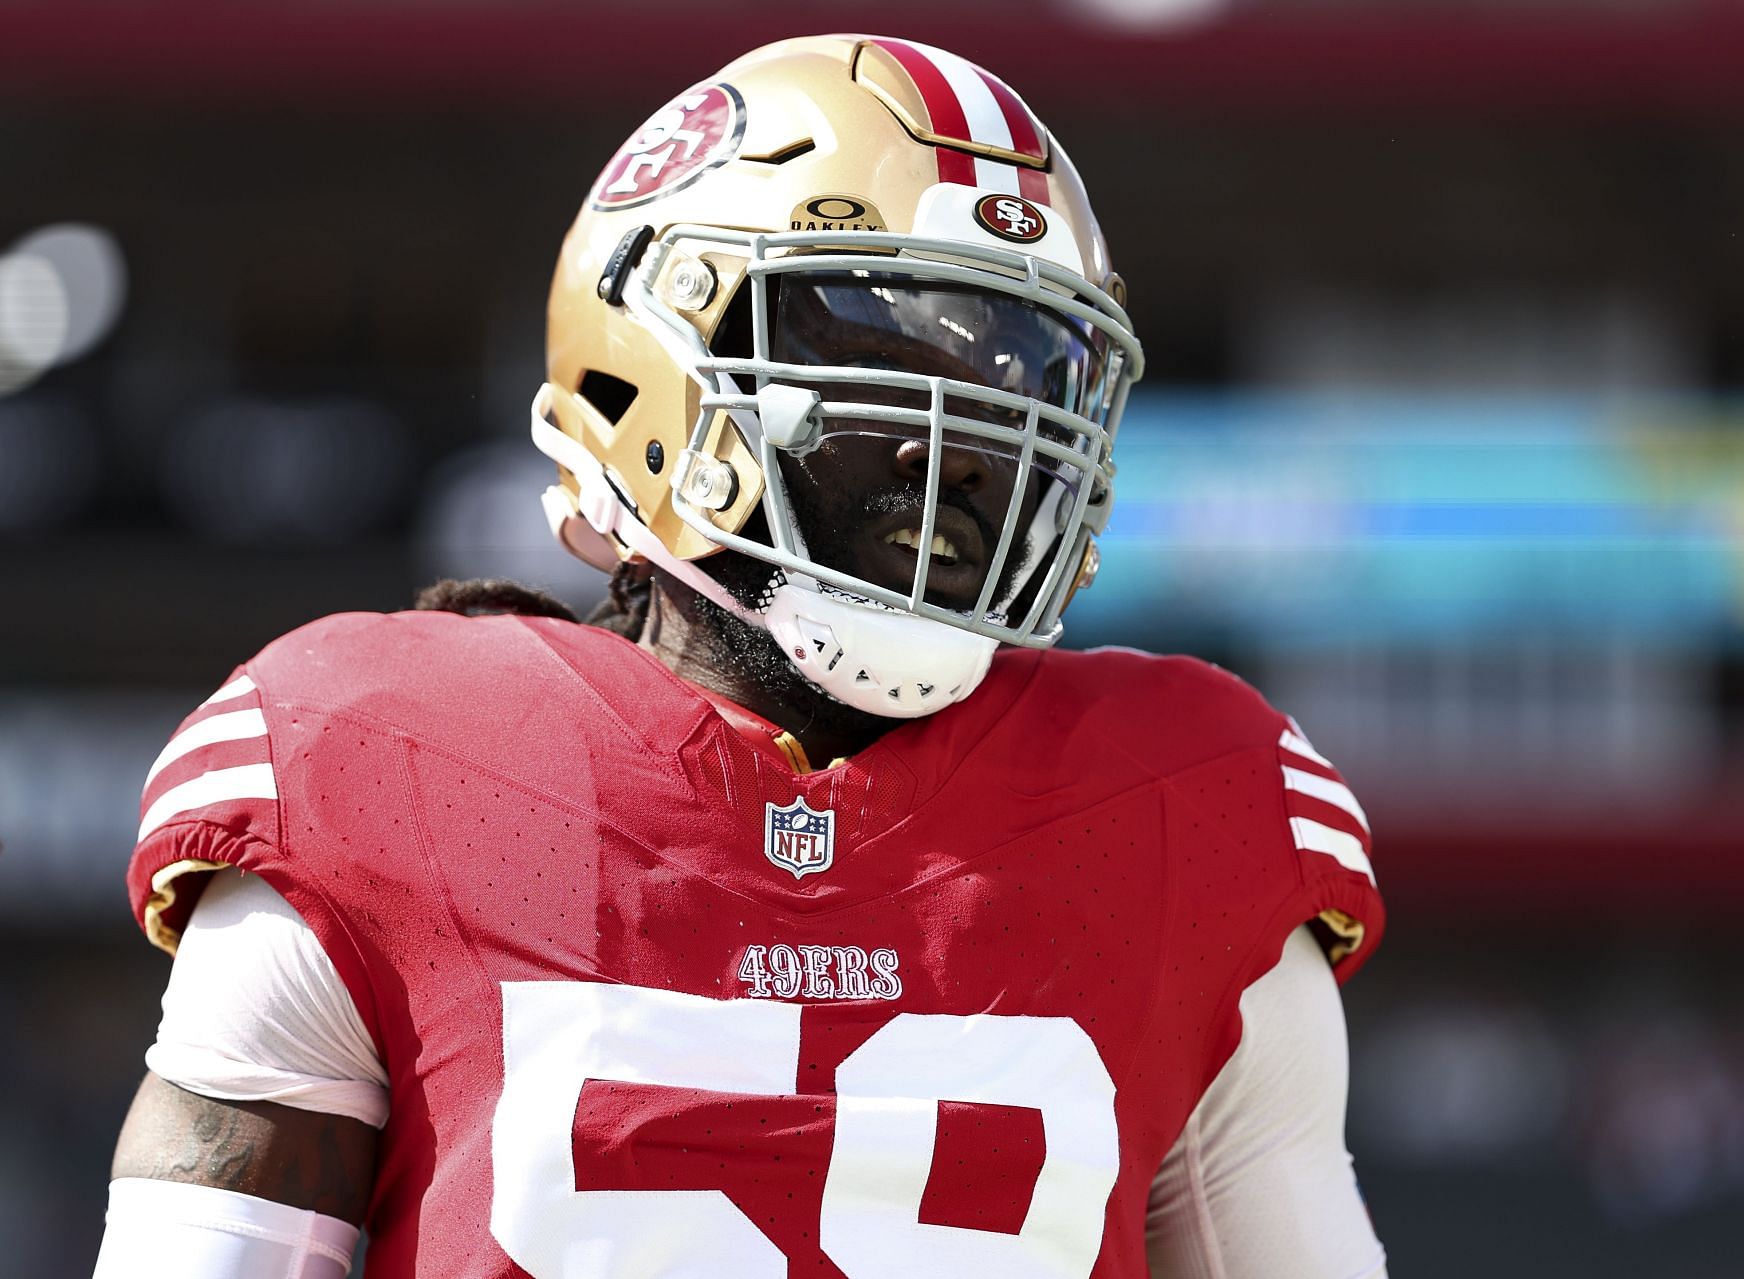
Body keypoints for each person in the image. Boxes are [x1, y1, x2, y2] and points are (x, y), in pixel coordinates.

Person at [92, 34, 1388, 1279]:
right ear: (650, 365)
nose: (976, 446)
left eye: (1028, 373)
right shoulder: (383, 759)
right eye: (882, 349)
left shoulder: (1185, 807)